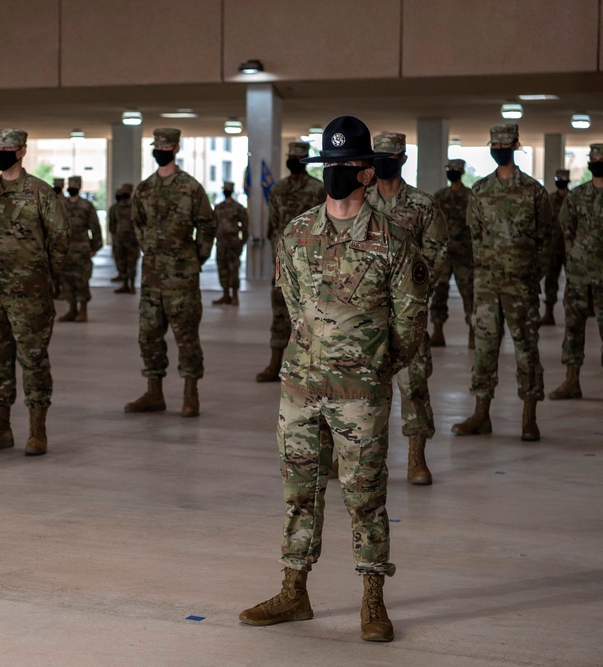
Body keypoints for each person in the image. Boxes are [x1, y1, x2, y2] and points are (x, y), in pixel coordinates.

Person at [238, 116, 428, 642]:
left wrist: (369, 371)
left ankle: (372, 598)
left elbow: (410, 327)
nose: (336, 174)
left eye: (346, 165)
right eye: (330, 166)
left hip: (359, 395)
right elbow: (294, 306)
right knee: (299, 491)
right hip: (300, 387)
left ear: (367, 173)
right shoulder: (297, 233)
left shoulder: (394, 242)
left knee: (364, 495)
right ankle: (294, 590)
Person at [0, 129, 68, 456]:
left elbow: (60, 239)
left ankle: (37, 430)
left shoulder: (40, 192)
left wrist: (46, 277)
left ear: (22, 151)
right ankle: (0, 426)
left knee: (33, 357)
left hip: (30, 292)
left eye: (9, 149)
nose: (2, 153)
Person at [452, 124, 552, 441]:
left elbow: (546, 241)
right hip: (486, 287)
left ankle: (529, 416)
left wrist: (529, 275)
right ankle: (482, 414)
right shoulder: (480, 191)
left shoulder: (534, 191)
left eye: (504, 144)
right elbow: (475, 236)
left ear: (515, 145)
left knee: (526, 350)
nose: (499, 149)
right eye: (494, 144)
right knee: (483, 351)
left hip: (520, 287)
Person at [366, 132, 447, 486]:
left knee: (413, 384)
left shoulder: (422, 204)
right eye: (377, 156)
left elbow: (439, 254)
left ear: (402, 159)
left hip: (406, 312)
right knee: (358, 386)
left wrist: (416, 296)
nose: (383, 161)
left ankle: (417, 458)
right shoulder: (358, 201)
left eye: (390, 155)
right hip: (365, 311)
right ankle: (354, 456)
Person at [124, 128, 215, 418]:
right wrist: (149, 250)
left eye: (165, 146)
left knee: (186, 334)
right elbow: (136, 223)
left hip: (182, 275)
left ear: (175, 148)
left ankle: (191, 394)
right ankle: (154, 393)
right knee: (148, 334)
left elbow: (206, 225)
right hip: (152, 275)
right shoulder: (145, 188)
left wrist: (195, 258)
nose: (160, 150)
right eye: (157, 146)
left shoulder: (191, 187)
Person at [257, 141, 326, 382]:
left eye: (298, 156)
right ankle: (275, 362)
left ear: (306, 160)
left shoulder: (318, 189)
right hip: (283, 261)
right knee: (279, 312)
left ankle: (309, 366)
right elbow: (273, 225)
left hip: (310, 262)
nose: (293, 160)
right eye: (291, 156)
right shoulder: (278, 189)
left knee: (310, 313)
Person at [548, 144, 603, 400]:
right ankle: (572, 380)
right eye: (594, 158)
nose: (596, 161)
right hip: (579, 274)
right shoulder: (577, 196)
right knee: (573, 326)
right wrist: (574, 256)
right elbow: (566, 229)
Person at [431, 159, 475, 348]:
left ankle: (473, 332)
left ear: (462, 172)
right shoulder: (440, 196)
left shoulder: (470, 196)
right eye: (449, 169)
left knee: (469, 293)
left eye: (455, 169)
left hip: (464, 252)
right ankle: (438, 330)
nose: (452, 172)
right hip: (444, 253)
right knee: (439, 292)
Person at [58, 175, 103, 322]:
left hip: (82, 249)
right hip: (66, 249)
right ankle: (72, 310)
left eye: (75, 186)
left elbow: (95, 228)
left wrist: (94, 248)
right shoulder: (62, 204)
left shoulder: (86, 206)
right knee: (67, 280)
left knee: (82, 280)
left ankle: (83, 311)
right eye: (70, 185)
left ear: (79, 187)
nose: (72, 188)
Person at [212, 180, 249, 306]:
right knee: (222, 267)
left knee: (233, 269)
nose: (226, 191)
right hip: (221, 242)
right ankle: (225, 294)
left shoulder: (238, 208)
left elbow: (245, 226)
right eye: (225, 189)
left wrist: (242, 242)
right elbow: (213, 225)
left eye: (227, 189)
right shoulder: (218, 207)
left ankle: (235, 296)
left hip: (233, 242)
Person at [541, 168, 570, 326]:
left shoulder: (573, 199)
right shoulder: (550, 199)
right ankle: (549, 313)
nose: (561, 181)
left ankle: (575, 313)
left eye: (563, 178)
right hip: (553, 247)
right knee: (550, 280)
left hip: (570, 248)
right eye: (558, 178)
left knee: (574, 282)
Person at [109, 183, 139, 294]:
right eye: (124, 190)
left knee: (132, 263)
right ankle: (125, 284)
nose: (125, 192)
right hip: (119, 240)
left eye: (127, 190)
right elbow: (112, 224)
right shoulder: (115, 208)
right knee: (121, 262)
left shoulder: (136, 207)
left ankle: (132, 285)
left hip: (132, 241)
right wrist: (115, 236)